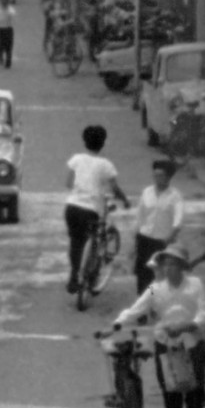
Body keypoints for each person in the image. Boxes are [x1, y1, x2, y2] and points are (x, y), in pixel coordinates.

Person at [111, 245, 205, 408]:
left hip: (192, 344)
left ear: (183, 267)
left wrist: (188, 325)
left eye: (173, 264)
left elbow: (204, 312)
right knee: (171, 395)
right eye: (166, 264)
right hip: (166, 344)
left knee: (195, 394)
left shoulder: (195, 285)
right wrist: (118, 322)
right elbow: (136, 309)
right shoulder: (156, 288)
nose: (169, 268)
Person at [64, 125, 129, 296]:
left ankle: (74, 276)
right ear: (103, 143)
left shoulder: (76, 159)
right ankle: (91, 276)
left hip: (72, 207)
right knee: (94, 240)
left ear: (84, 141)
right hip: (90, 209)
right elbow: (115, 188)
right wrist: (125, 200)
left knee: (76, 242)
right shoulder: (106, 164)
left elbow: (69, 183)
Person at [131, 160, 184, 296]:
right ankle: (142, 304)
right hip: (144, 239)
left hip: (161, 242)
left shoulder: (175, 196)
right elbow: (139, 216)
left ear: (168, 177)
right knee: (142, 274)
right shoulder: (147, 192)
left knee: (157, 276)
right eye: (155, 175)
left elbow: (178, 221)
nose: (157, 179)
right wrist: (134, 241)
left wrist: (169, 239)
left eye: (160, 175)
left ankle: (153, 303)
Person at [0, 0, 16, 69]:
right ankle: (1, 58)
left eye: (5, 1)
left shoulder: (10, 10)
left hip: (8, 29)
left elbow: (12, 15)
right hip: (0, 30)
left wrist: (7, 11)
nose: (3, 3)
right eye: (2, 1)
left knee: (8, 47)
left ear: (8, 2)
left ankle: (8, 61)